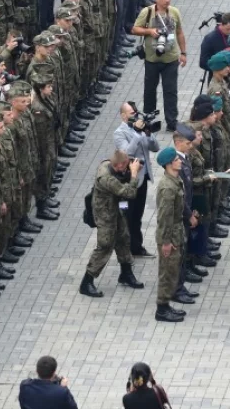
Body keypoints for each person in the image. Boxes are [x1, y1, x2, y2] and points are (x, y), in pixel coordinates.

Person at [79, 150, 144, 298]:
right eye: (126, 165)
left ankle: (126, 273)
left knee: (123, 238)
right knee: (105, 245)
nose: (129, 166)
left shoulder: (110, 165)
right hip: (105, 215)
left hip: (114, 209)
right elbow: (129, 193)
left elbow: (121, 178)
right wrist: (133, 174)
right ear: (119, 165)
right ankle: (86, 282)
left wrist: (128, 171)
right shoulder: (106, 178)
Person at [131, 0, 187, 132]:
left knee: (171, 91)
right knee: (149, 90)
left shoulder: (174, 12)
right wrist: (149, 31)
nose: (167, 0)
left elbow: (180, 32)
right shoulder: (147, 12)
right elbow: (135, 29)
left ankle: (171, 121)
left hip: (171, 59)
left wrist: (183, 53)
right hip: (152, 59)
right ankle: (149, 120)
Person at [113, 102, 160, 257]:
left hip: (143, 178)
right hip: (128, 180)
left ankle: (137, 247)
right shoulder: (119, 133)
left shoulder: (139, 129)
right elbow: (127, 153)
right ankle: (125, 249)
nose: (135, 115)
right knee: (127, 216)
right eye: (131, 113)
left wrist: (148, 133)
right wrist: (137, 133)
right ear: (123, 115)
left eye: (135, 112)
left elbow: (155, 147)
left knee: (138, 215)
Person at [153, 147, 187, 323]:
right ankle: (162, 309)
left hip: (175, 233)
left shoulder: (174, 180)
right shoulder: (168, 187)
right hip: (169, 236)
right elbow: (164, 217)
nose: (180, 161)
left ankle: (166, 305)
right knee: (167, 272)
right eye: (176, 160)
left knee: (172, 271)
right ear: (168, 165)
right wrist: (166, 242)